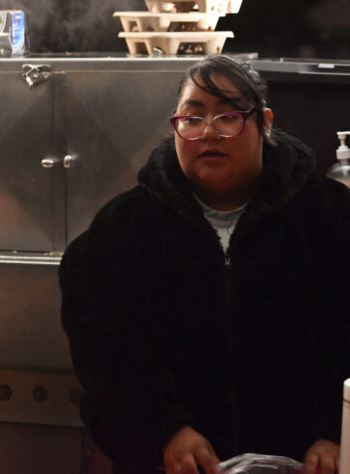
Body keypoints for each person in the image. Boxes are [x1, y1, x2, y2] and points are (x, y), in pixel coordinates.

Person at [59, 54, 350, 474]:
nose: (208, 133)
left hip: (308, 463)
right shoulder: (122, 231)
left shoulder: (329, 217)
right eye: (192, 119)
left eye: (228, 116)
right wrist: (164, 430)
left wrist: (337, 429)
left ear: (264, 123)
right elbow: (105, 357)